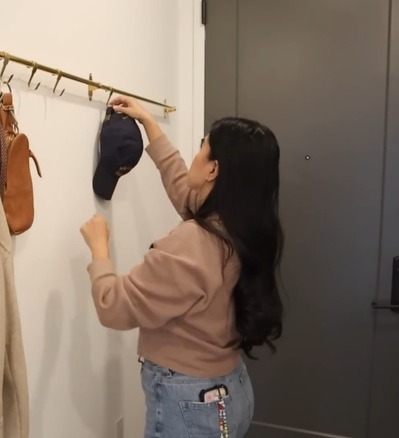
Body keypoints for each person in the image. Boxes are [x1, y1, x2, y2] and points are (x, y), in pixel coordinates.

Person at [80, 96, 284, 438]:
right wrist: (151, 127)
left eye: (202, 146)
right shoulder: (245, 228)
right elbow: (188, 193)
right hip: (231, 392)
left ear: (213, 169)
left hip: (190, 405)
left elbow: (114, 307)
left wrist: (99, 250)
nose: (195, 153)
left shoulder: (194, 243)